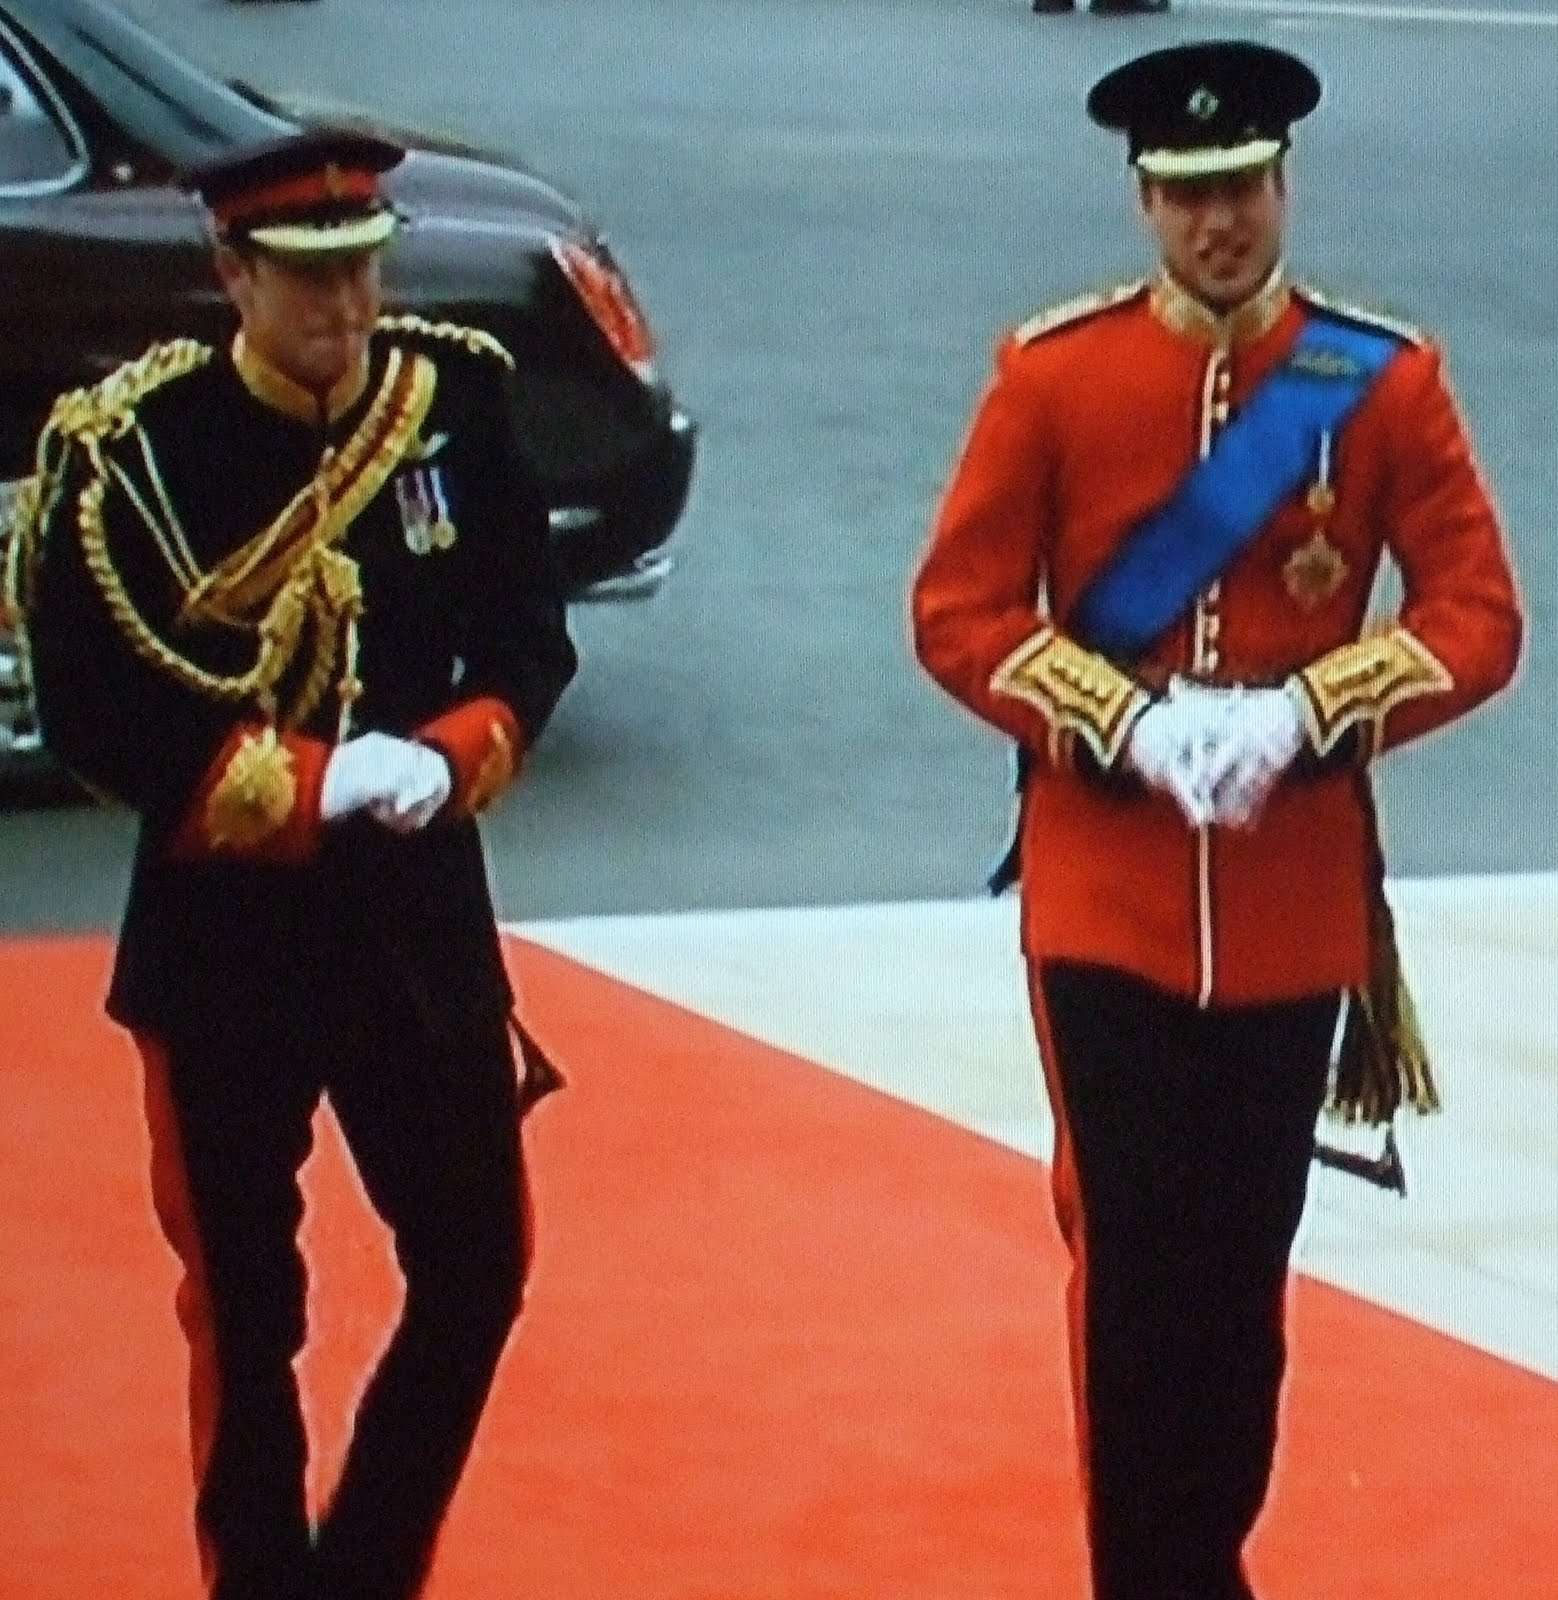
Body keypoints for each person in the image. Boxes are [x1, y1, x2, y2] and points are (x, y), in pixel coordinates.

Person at [910, 40, 1521, 1600]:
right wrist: (1120, 716)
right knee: (1131, 1276)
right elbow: (959, 609)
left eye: (1239, 189)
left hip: (1289, 907)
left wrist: (1305, 713)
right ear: (1142, 201)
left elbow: (1475, 615)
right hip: (1102, 899)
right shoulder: (1052, 375)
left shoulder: (1377, 381)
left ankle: (1199, 1557)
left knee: (1240, 1288)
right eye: (1184, 197)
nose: (1216, 224)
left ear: (1279, 185)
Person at [8, 128, 577, 1600]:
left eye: (363, 275)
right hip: (226, 946)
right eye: (309, 283)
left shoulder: (448, 403)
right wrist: (315, 784)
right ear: (230, 272)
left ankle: (364, 1573)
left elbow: (529, 631)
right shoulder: (134, 451)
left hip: (416, 930)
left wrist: (454, 751)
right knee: (247, 1312)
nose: (346, 313)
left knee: (475, 1271)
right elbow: (96, 704)